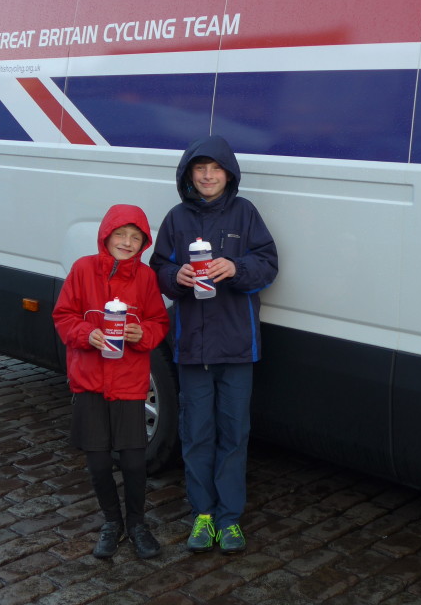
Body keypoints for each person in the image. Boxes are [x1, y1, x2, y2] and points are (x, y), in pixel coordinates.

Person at [150, 135, 278, 554]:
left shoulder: (245, 214)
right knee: (197, 432)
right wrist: (176, 278)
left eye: (215, 169)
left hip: (238, 347)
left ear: (229, 174)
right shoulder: (176, 218)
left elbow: (268, 264)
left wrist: (235, 266)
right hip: (192, 348)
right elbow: (159, 268)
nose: (207, 176)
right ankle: (203, 514)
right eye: (200, 169)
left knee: (234, 433)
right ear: (189, 175)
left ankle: (230, 518)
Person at [53, 204, 169, 560]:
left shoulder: (146, 278)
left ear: (143, 243)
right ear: (106, 236)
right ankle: (111, 522)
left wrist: (142, 332)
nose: (127, 242)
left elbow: (159, 322)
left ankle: (137, 523)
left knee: (134, 463)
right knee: (99, 462)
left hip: (130, 384)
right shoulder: (83, 269)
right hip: (89, 382)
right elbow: (63, 316)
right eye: (120, 235)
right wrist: (88, 334)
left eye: (135, 237)